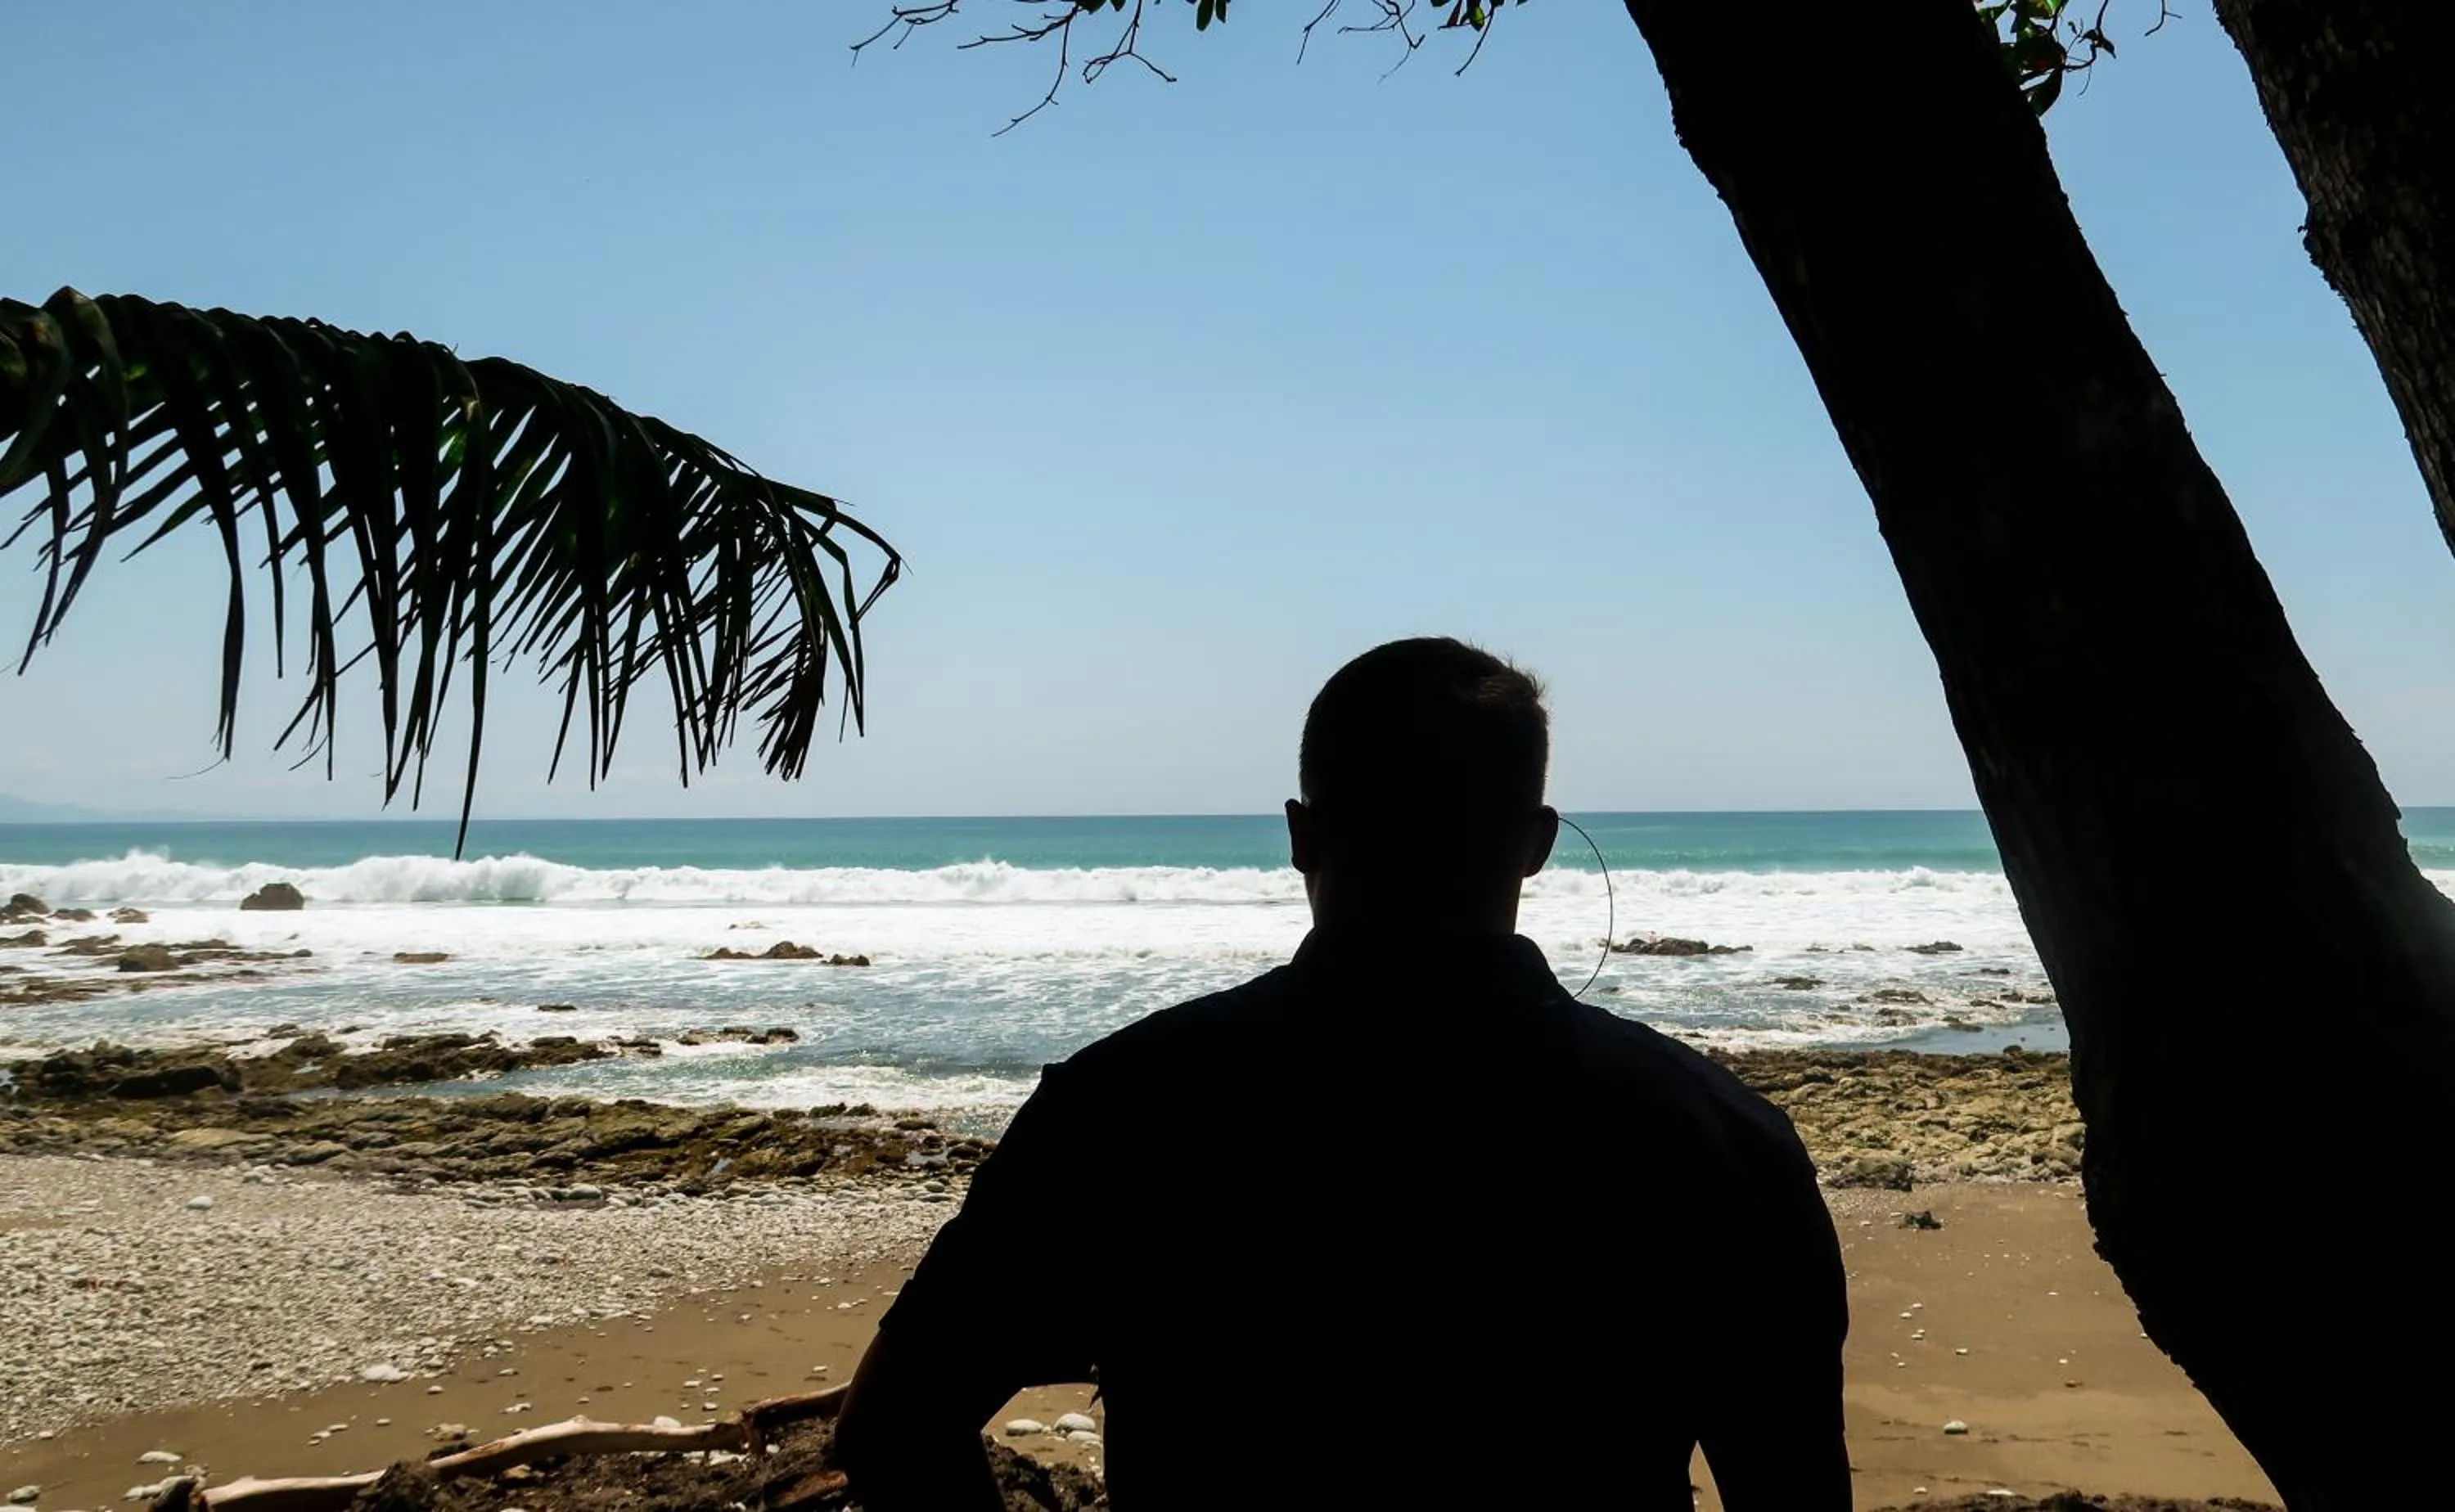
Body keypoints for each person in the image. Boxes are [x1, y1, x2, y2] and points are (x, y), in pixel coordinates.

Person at [834, 637, 1849, 1509]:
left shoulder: (1126, 1105)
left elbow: (891, 1425)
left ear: (1301, 834)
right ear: (1535, 845)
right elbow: (1795, 1490)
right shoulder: (1721, 1136)